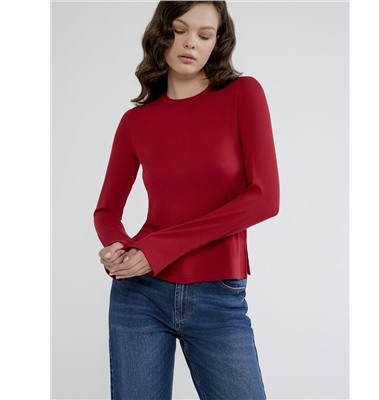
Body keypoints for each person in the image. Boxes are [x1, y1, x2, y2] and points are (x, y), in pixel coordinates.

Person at [93, 1, 280, 399]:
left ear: (217, 42)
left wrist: (159, 248)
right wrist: (117, 245)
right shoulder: (136, 121)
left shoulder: (243, 94)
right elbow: (107, 210)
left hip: (218, 295)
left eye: (204, 34)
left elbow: (264, 198)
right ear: (161, 34)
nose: (190, 42)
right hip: (140, 294)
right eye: (179, 30)